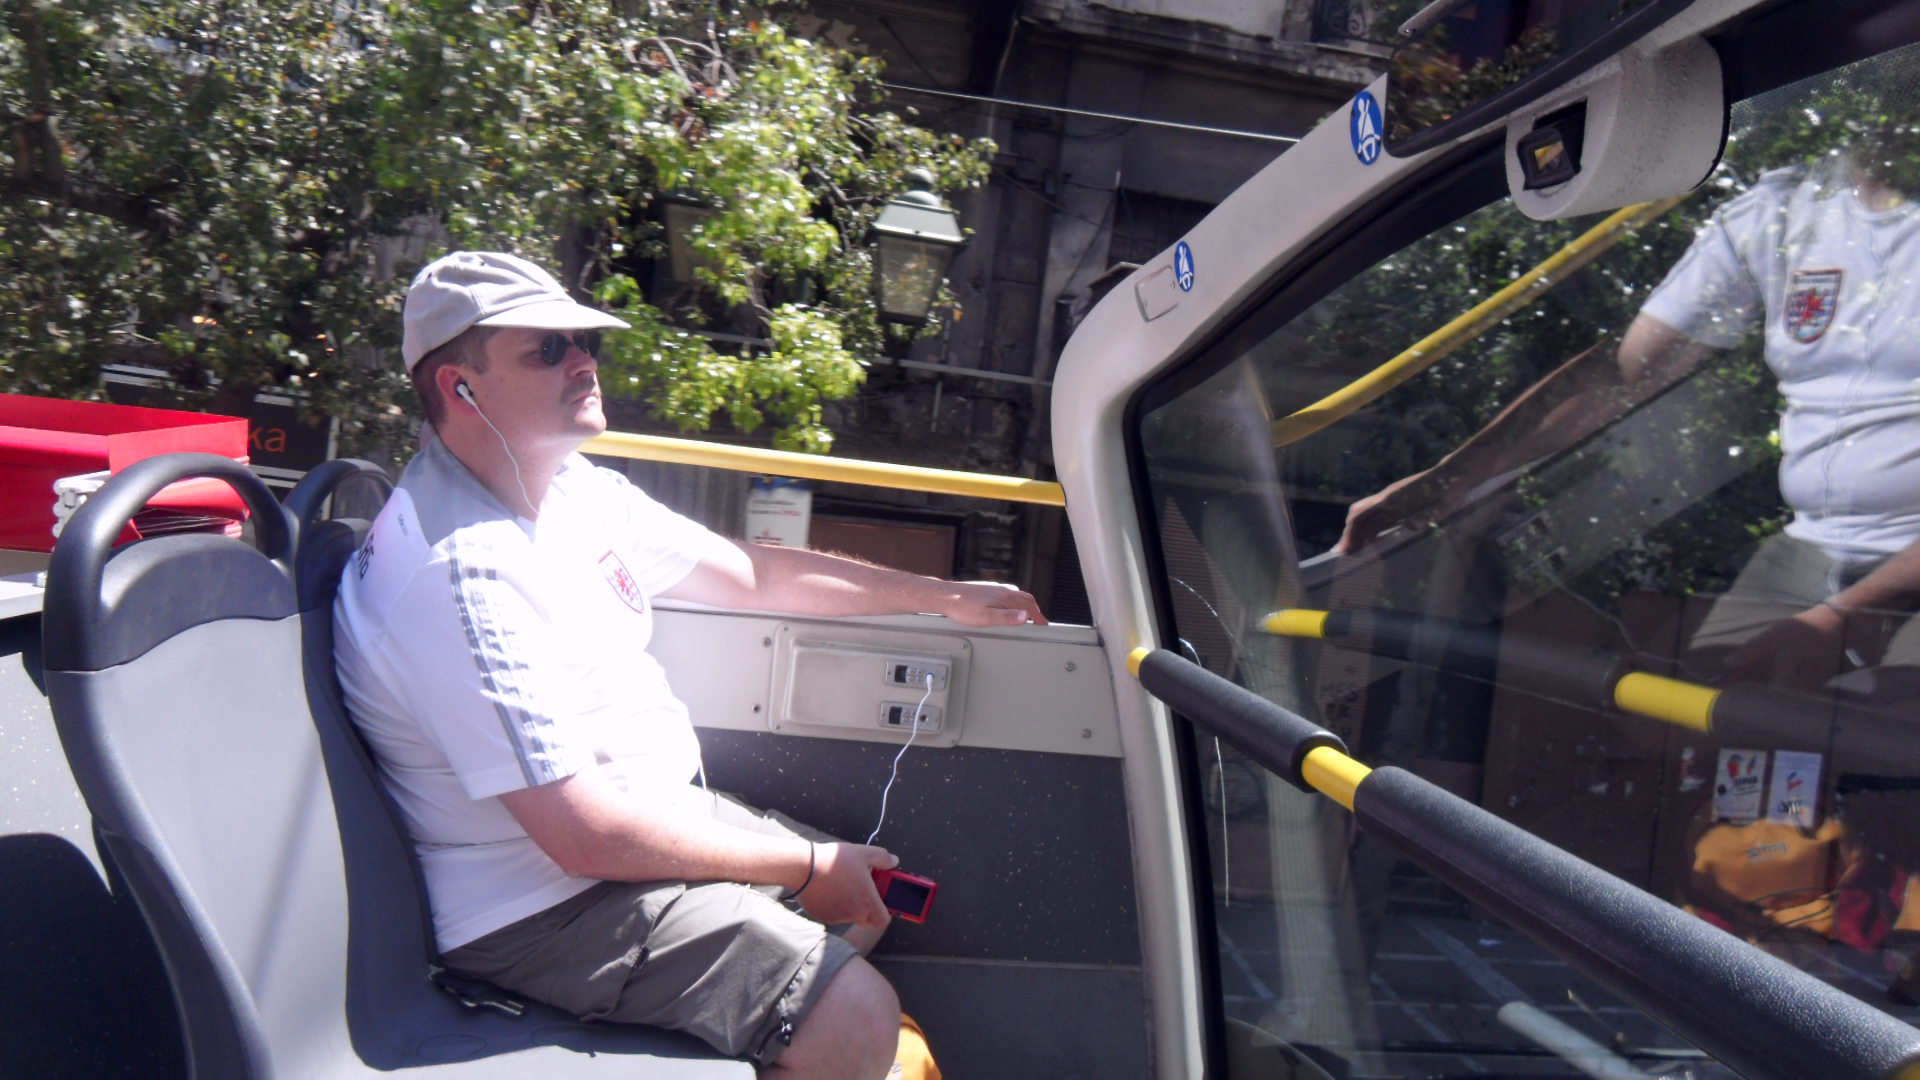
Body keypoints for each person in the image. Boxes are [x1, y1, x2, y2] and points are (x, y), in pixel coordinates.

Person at [332, 251, 1044, 1079]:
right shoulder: (460, 573)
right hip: (540, 908)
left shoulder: (568, 489)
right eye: (547, 349)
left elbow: (752, 573)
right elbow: (581, 836)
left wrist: (941, 597)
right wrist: (807, 868)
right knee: (856, 1011)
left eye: (584, 341)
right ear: (460, 388)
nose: (583, 361)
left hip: (632, 827)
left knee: (868, 903)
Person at [1334, 116, 1920, 691]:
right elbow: (1623, 374)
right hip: (1816, 546)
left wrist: (1849, 619)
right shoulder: (1785, 208)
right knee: (1683, 717)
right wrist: (1453, 478)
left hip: (1903, 565)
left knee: (1851, 733)